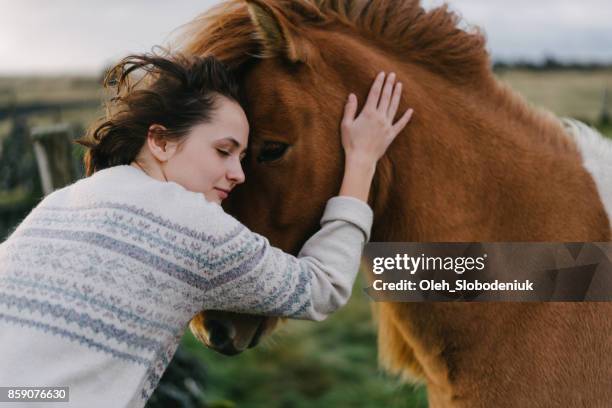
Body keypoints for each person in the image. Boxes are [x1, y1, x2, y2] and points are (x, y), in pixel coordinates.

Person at [0, 52, 413, 407]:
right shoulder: (193, 224)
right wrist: (361, 159)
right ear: (160, 141)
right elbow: (322, 288)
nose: (238, 174)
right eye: (223, 151)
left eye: (244, 157)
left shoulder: (60, 203)